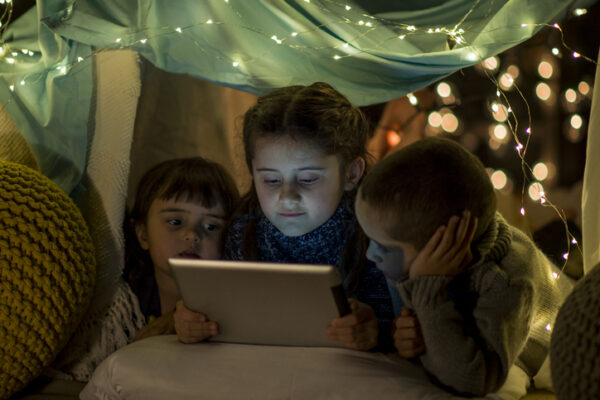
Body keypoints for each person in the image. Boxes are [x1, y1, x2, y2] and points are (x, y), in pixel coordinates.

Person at [174, 82, 396, 351]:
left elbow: (402, 332)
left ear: (351, 173)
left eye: (307, 179)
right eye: (270, 180)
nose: (287, 197)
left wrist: (377, 332)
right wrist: (192, 321)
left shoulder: (376, 239)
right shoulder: (243, 231)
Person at [354, 136, 566, 396]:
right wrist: (407, 334)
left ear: (444, 243)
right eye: (371, 240)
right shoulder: (420, 248)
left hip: (526, 355)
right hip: (466, 339)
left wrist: (428, 293)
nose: (370, 255)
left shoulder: (505, 281)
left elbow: (473, 380)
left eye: (385, 247)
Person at [123, 157, 240, 340]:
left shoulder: (237, 299)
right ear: (143, 234)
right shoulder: (124, 301)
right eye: (175, 222)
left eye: (211, 227)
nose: (192, 235)